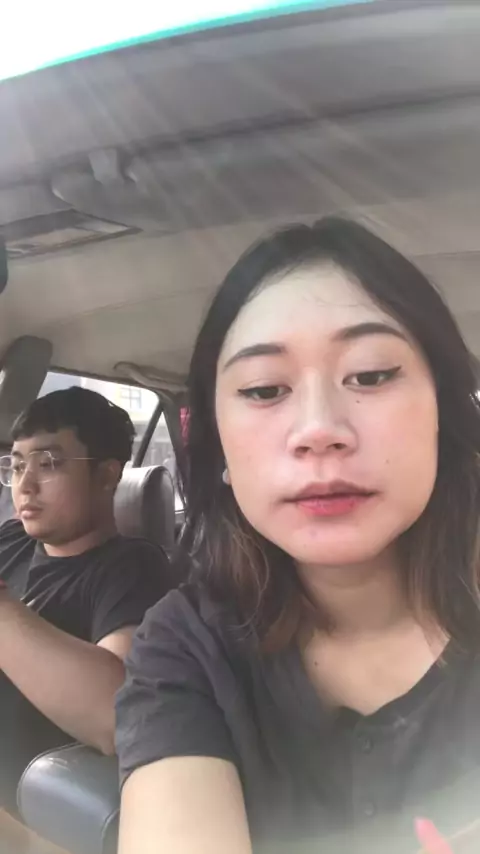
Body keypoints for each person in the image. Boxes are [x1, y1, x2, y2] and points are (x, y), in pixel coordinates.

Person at [116, 218, 480, 854]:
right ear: (220, 448)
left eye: (371, 375)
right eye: (264, 389)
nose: (318, 429)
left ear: (443, 412)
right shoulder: (185, 646)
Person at [0, 386, 172, 818]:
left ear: (107, 475)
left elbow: (117, 713)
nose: (25, 484)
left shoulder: (134, 569)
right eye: (16, 466)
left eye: (48, 464)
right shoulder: (11, 540)